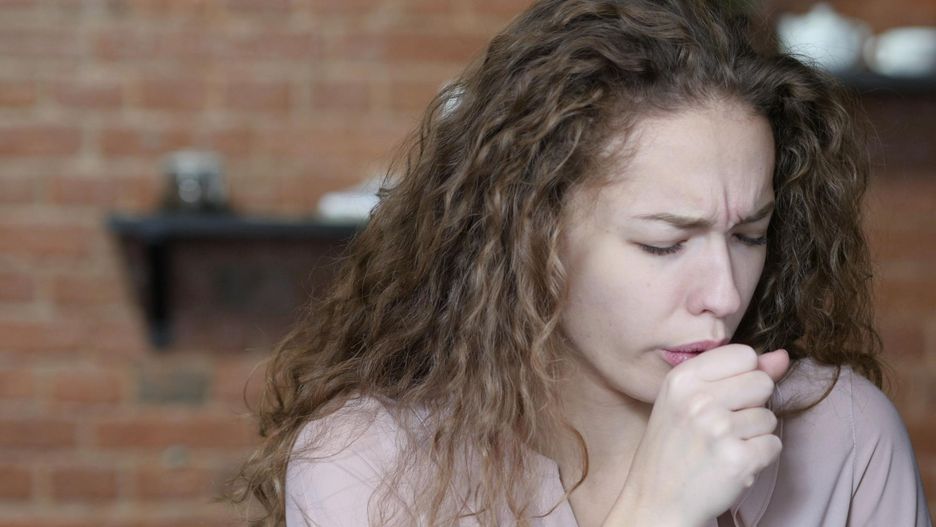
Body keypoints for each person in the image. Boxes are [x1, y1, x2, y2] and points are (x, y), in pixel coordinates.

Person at [228, 0, 933, 525]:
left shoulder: (845, 433)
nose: (723, 295)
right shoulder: (365, 464)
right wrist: (657, 511)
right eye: (663, 243)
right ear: (532, 234)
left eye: (749, 235)